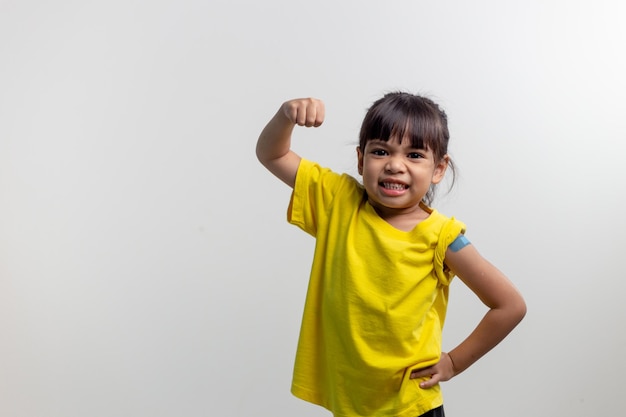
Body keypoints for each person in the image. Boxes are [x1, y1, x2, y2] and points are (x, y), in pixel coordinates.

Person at [256, 92, 526, 417]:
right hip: (350, 403)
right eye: (381, 151)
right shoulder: (337, 201)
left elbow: (510, 305)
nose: (395, 165)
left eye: (414, 155)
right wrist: (286, 115)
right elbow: (272, 154)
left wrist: (453, 362)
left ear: (438, 169)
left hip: (410, 406)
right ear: (360, 160)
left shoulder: (443, 237)